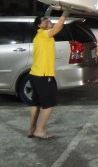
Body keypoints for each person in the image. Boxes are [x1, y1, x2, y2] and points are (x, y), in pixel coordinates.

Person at [27, 10, 70, 139]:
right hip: (44, 75)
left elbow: (56, 27)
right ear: (39, 26)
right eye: (45, 20)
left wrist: (60, 19)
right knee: (49, 105)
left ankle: (32, 129)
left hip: (35, 74)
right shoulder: (44, 35)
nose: (49, 20)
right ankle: (40, 131)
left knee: (36, 103)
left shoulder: (39, 36)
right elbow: (57, 28)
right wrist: (65, 14)